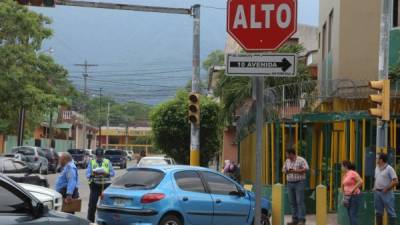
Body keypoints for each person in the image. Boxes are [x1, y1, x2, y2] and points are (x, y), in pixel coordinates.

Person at [86, 148, 115, 222]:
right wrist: (93, 174)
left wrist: (106, 174)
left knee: (107, 206)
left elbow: (113, 173)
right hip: (95, 186)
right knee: (92, 206)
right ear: (95, 156)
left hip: (105, 186)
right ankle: (90, 222)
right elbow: (87, 174)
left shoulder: (107, 162)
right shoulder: (91, 162)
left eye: (101, 156)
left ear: (103, 155)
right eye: (98, 156)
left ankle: (107, 221)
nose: (99, 157)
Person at [282, 148, 309, 225]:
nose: (286, 156)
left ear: (291, 154)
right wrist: (287, 171)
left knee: (299, 201)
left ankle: (302, 220)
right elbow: (283, 170)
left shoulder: (301, 160)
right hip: (290, 183)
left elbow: (306, 169)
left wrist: (295, 171)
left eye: (287, 154)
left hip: (299, 182)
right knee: (292, 202)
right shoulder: (287, 161)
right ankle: (295, 219)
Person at [374, 153, 398, 225]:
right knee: (378, 213)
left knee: (391, 213)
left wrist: (386, 188)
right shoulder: (376, 168)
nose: (376, 159)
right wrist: (374, 187)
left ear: (381, 160)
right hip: (377, 193)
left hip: (387, 193)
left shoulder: (389, 168)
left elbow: (395, 181)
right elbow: (376, 178)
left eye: (377, 158)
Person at [341, 160, 363, 225]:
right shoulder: (345, 175)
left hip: (354, 196)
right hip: (347, 197)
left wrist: (353, 189)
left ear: (345, 166)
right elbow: (343, 185)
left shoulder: (352, 173)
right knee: (350, 215)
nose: (341, 168)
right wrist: (343, 196)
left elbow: (360, 181)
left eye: (342, 166)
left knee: (353, 215)